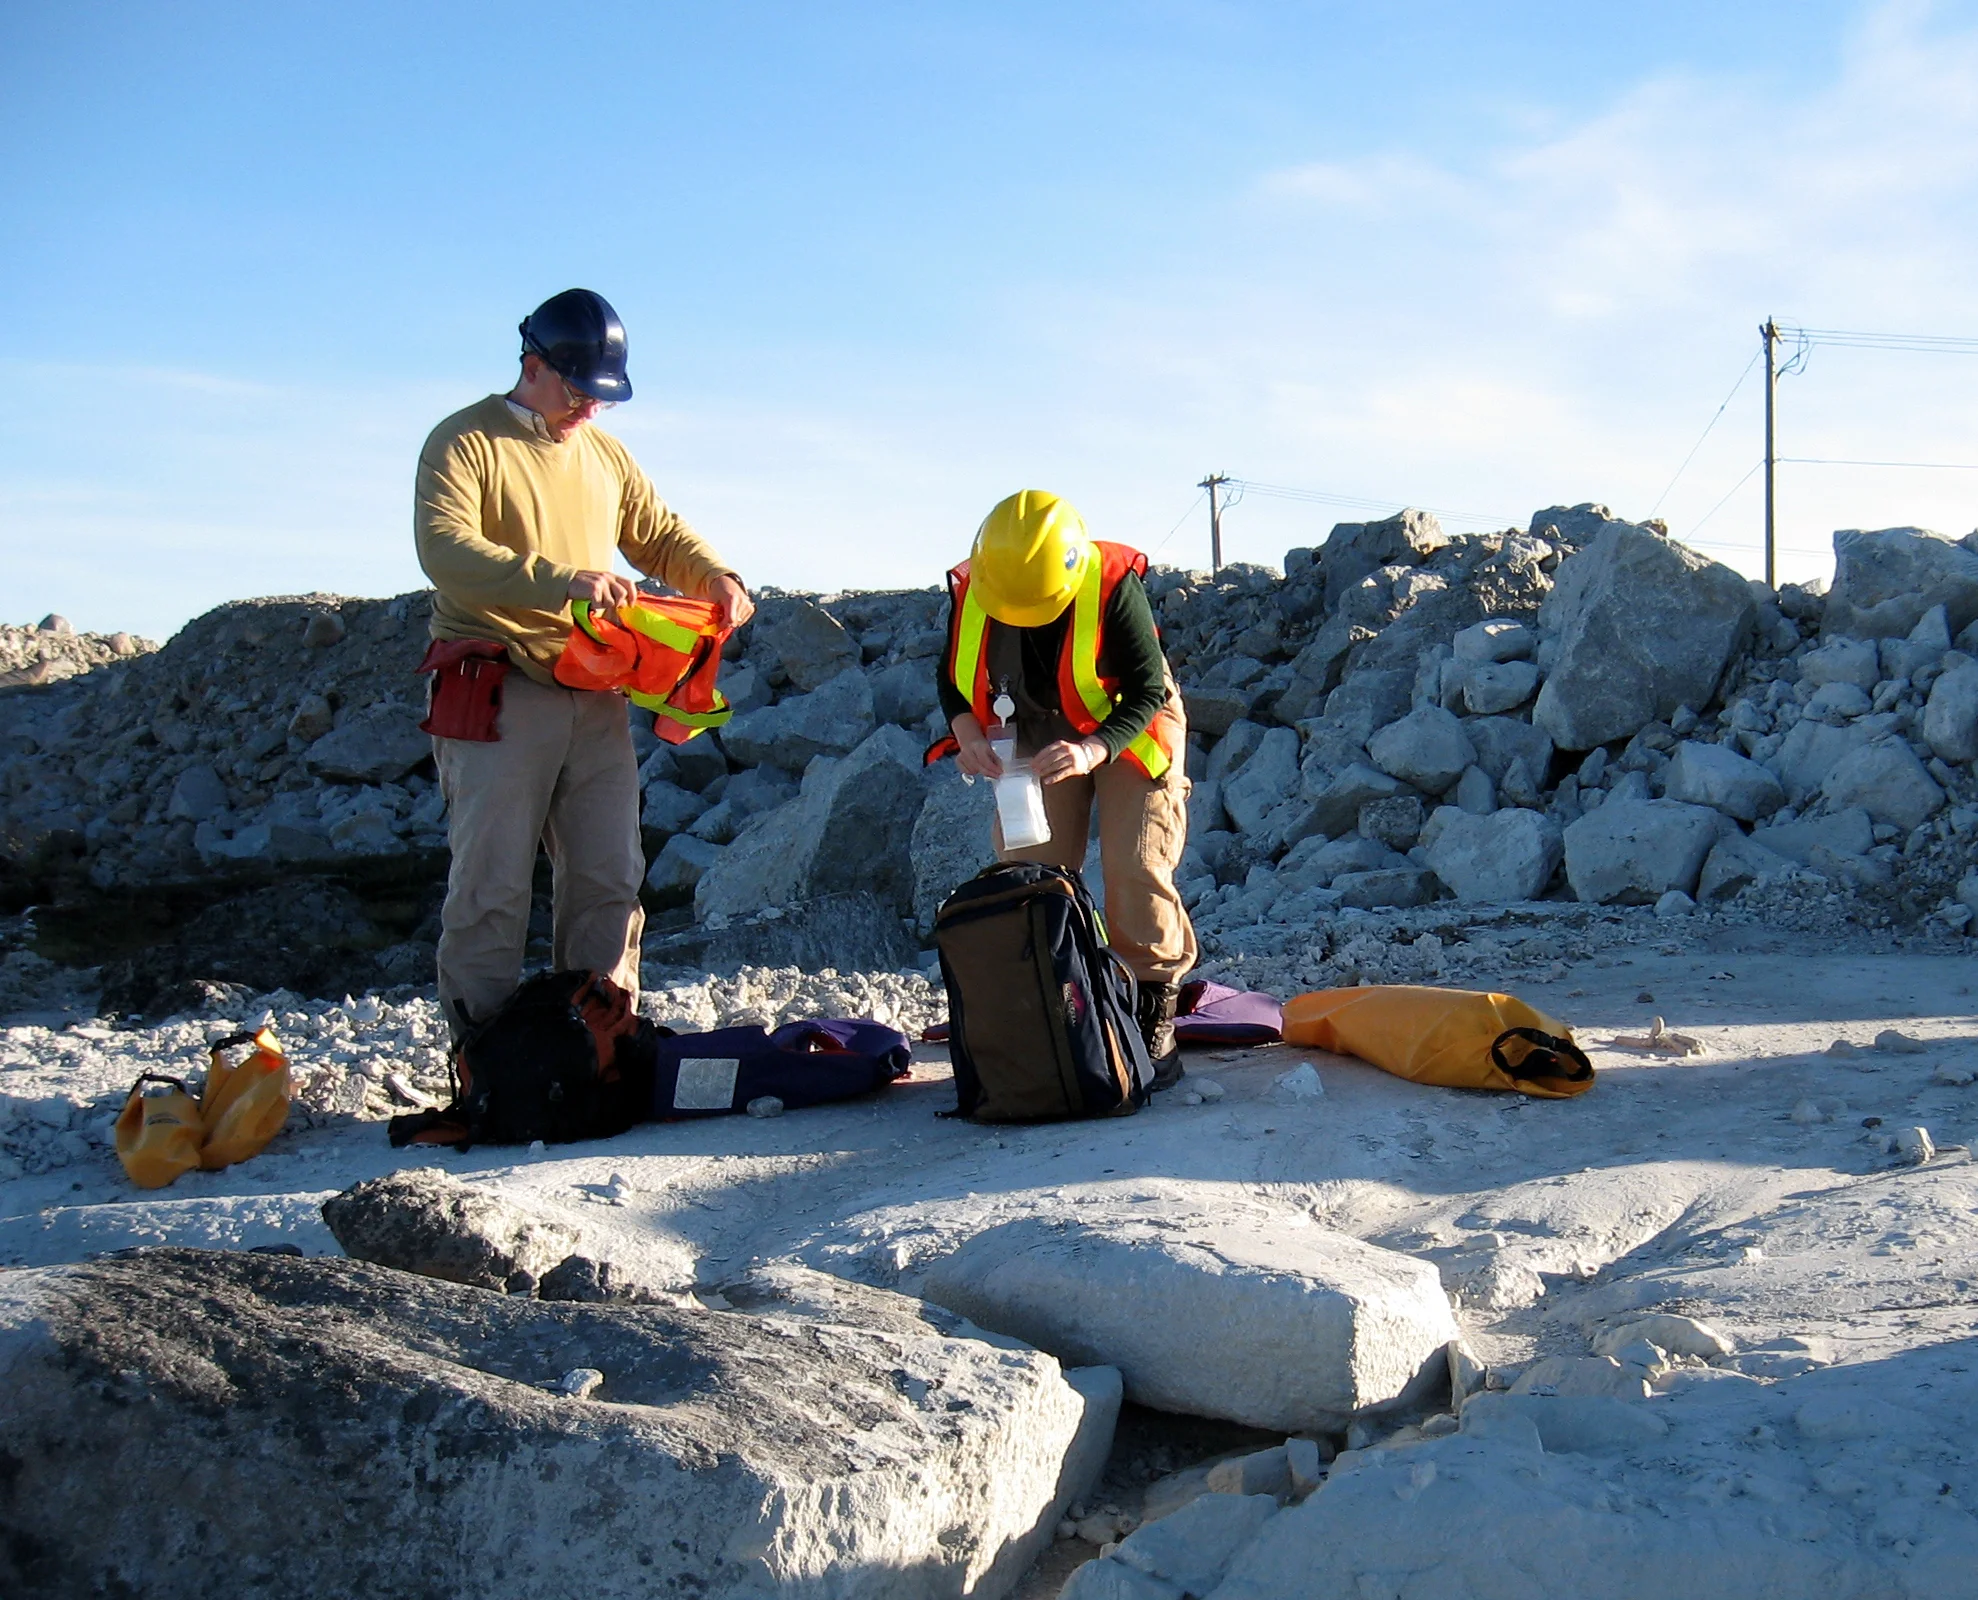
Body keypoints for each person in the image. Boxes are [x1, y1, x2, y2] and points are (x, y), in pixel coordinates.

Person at [414, 287, 754, 1031]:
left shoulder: (603, 453)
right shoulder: (464, 443)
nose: (591, 410)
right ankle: (483, 1059)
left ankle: (599, 1041)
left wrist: (716, 576)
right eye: (579, 392)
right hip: (497, 685)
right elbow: (444, 550)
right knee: (492, 882)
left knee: (608, 877)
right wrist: (558, 579)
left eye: (603, 397)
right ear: (532, 364)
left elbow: (658, 534)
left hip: (592, 686)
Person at [932, 488, 1196, 1081]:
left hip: (1128, 725)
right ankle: (1044, 1000)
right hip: (1036, 730)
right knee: (1029, 869)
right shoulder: (978, 586)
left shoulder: (1110, 586)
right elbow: (951, 680)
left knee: (1136, 862)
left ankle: (1152, 1004)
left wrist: (1092, 748)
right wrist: (969, 734)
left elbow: (1147, 689)